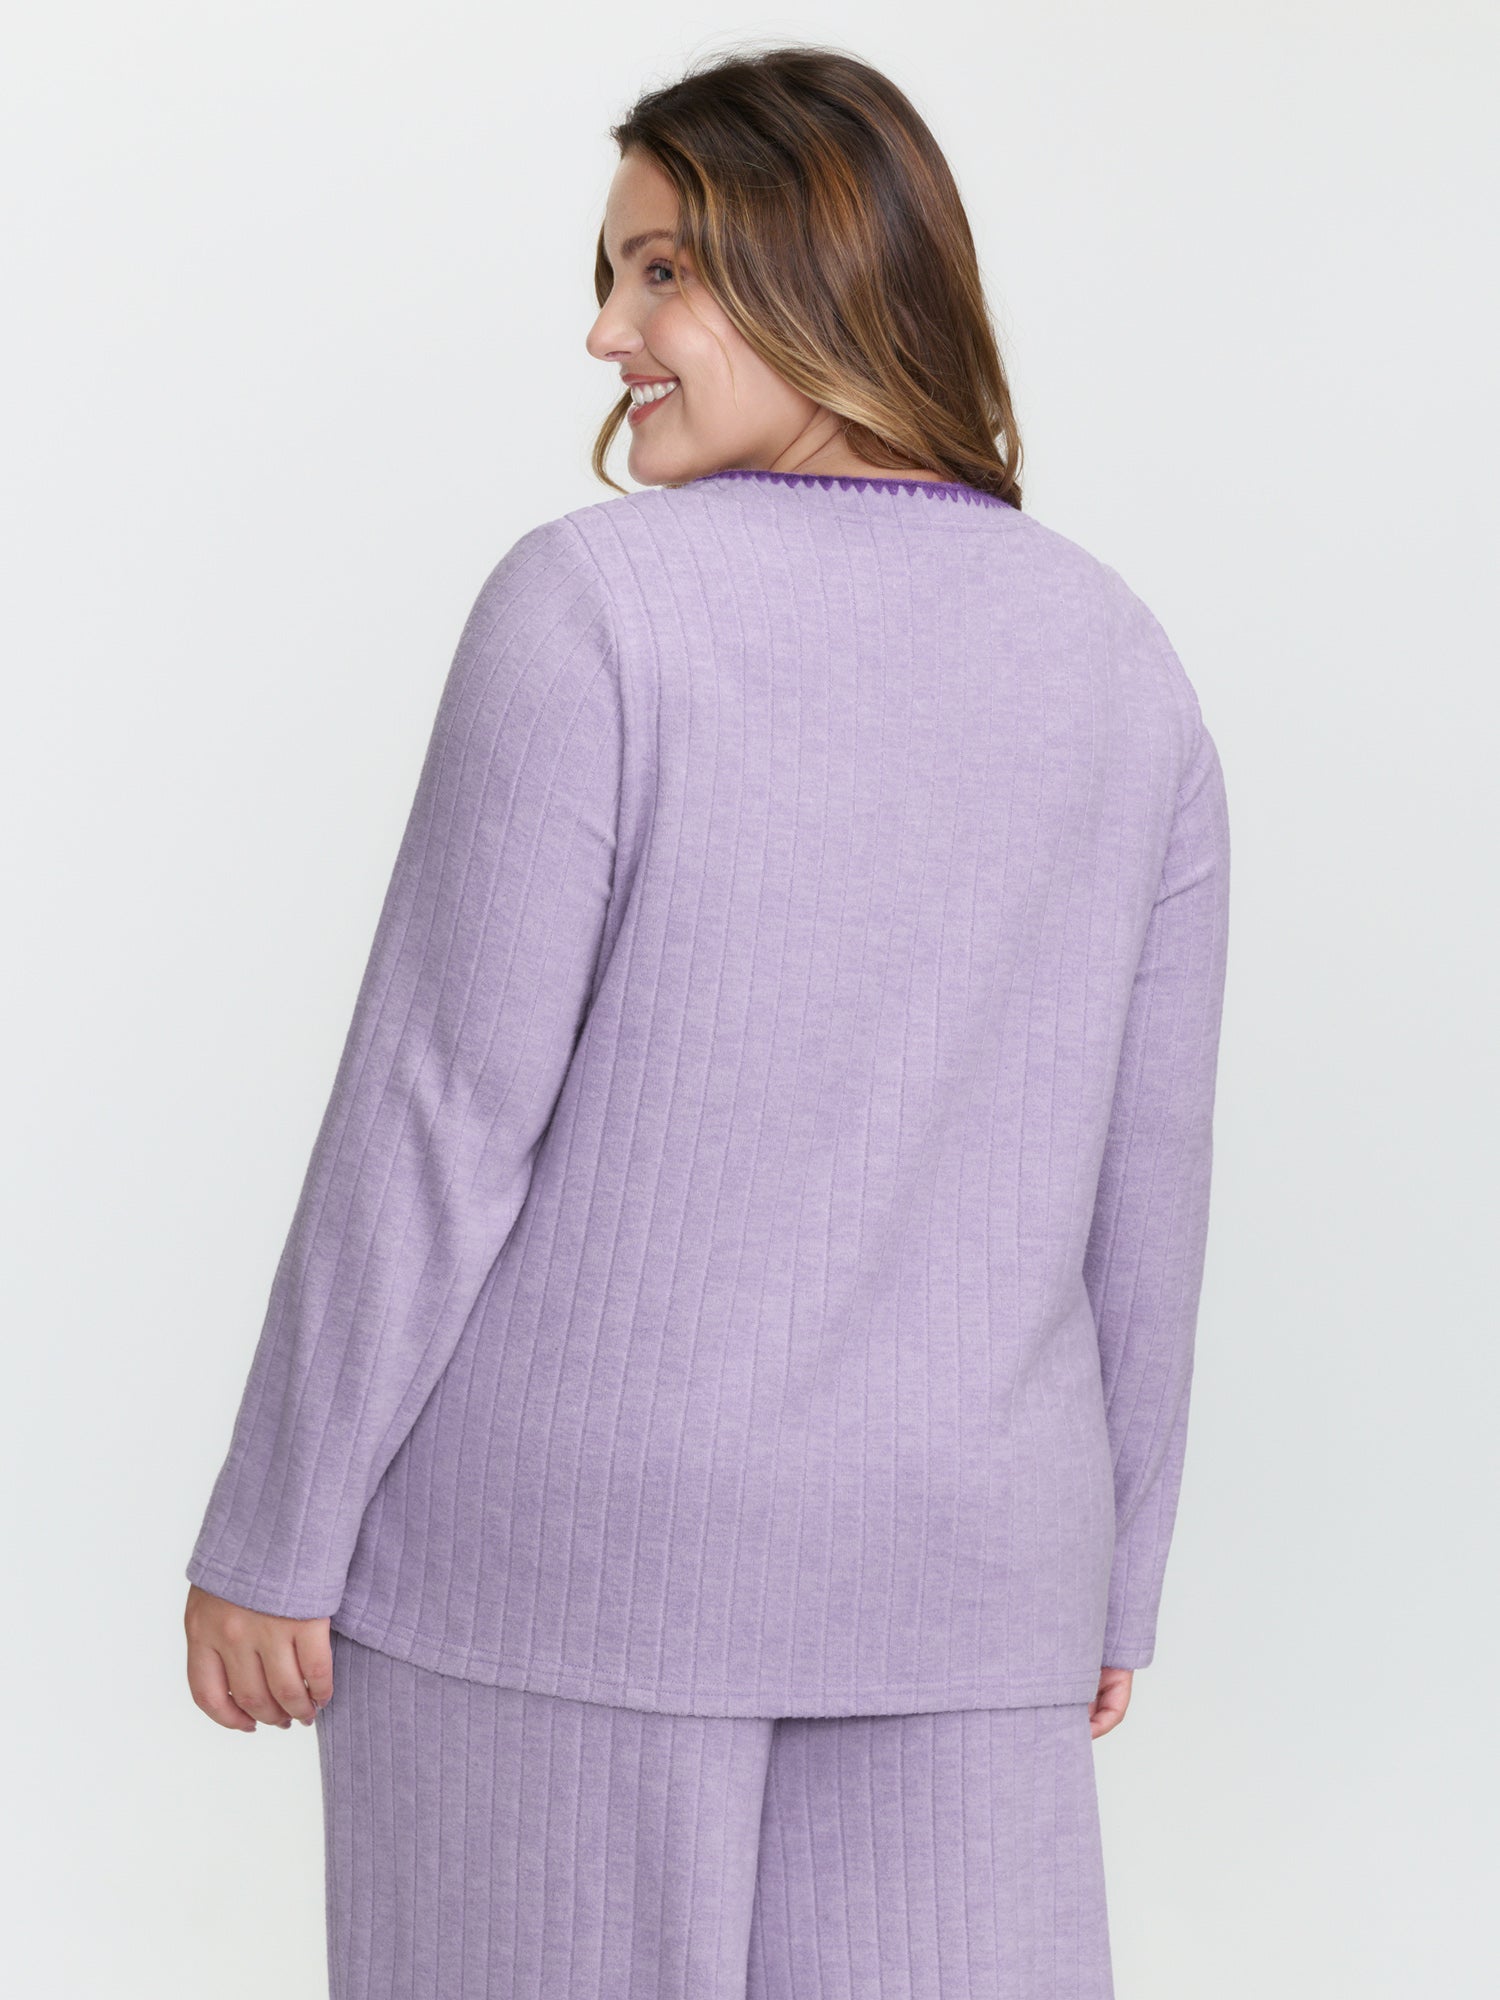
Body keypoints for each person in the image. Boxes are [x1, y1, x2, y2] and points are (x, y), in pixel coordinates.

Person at [183, 43, 1231, 2000]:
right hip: (966, 1580)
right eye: (611, 275)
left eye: (662, 270)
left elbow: (440, 1113)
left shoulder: (592, 608)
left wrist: (276, 1528)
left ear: (826, 267)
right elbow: (1143, 1178)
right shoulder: (1119, 659)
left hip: (558, 1578)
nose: (607, 331)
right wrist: (1114, 1570)